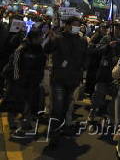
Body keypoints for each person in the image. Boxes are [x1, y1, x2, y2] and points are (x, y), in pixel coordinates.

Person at [43, 16, 88, 147]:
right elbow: (47, 50)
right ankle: (54, 136)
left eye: (78, 25)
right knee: (57, 107)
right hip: (59, 79)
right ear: (67, 26)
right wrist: (50, 39)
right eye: (74, 25)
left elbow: (85, 57)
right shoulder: (58, 38)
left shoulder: (82, 40)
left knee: (65, 108)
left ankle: (60, 128)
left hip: (73, 80)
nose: (76, 27)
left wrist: (82, 72)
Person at [9, 30, 46, 138]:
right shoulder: (22, 49)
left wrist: (39, 78)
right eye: (40, 37)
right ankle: (13, 123)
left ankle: (25, 124)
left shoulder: (39, 49)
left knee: (29, 104)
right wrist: (17, 78)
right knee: (16, 104)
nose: (42, 39)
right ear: (34, 38)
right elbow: (15, 64)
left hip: (33, 82)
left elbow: (41, 66)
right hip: (20, 81)